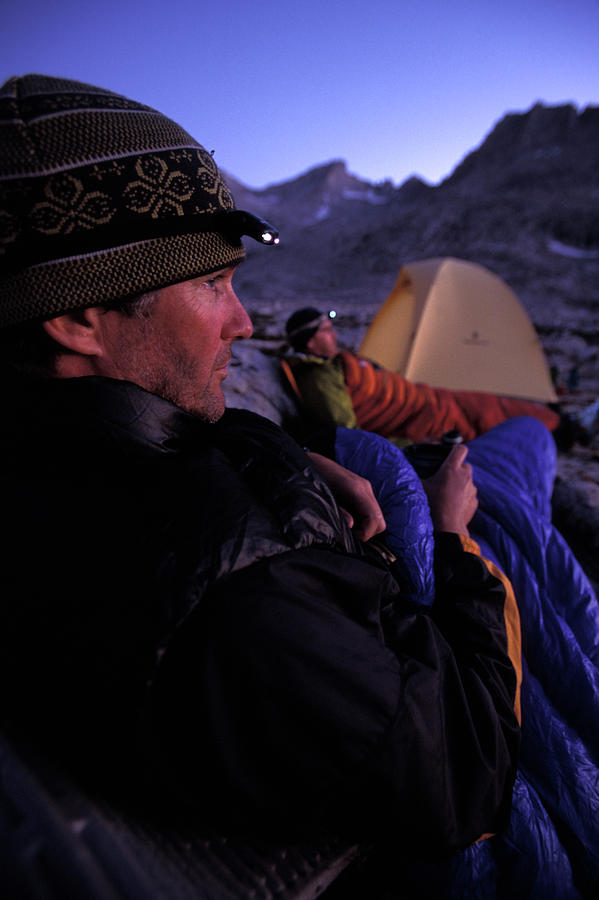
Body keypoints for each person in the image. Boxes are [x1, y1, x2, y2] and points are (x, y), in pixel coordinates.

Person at [0, 74, 521, 863]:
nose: (244, 323)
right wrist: (453, 546)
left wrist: (275, 455)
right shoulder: (243, 605)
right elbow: (463, 772)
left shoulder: (53, 450)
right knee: (524, 492)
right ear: (78, 318)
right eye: (212, 284)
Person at [282, 306, 564, 444]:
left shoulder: (333, 364)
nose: (335, 335)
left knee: (489, 402)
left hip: (425, 397)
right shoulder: (318, 378)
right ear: (310, 341)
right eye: (327, 331)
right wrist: (414, 444)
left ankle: (553, 416)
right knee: (487, 417)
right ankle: (561, 428)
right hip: (422, 416)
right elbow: (349, 435)